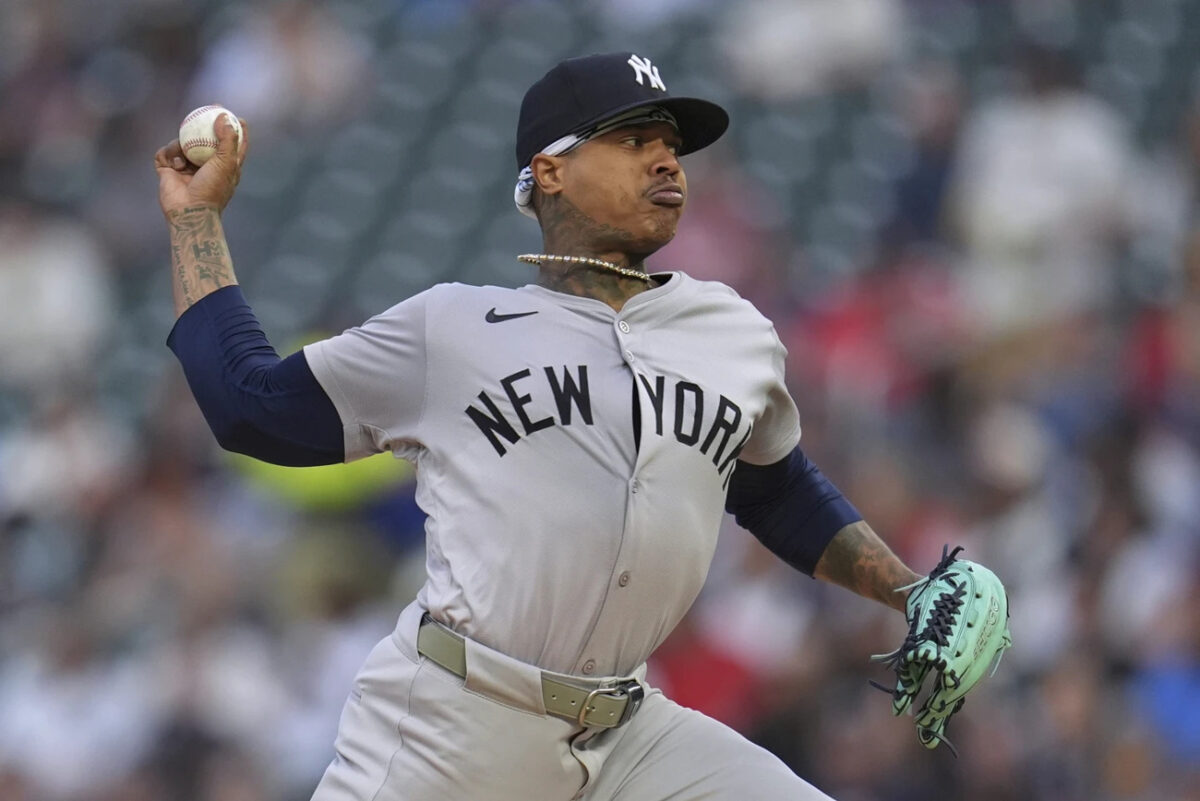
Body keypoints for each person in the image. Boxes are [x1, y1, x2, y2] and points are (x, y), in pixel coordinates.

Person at [155, 52, 930, 801]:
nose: (667, 162)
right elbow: (248, 404)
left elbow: (775, 490)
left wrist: (910, 591)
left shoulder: (732, 332)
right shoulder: (453, 328)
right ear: (549, 171)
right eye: (634, 141)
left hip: (630, 735)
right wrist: (196, 223)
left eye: (672, 146)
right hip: (456, 723)